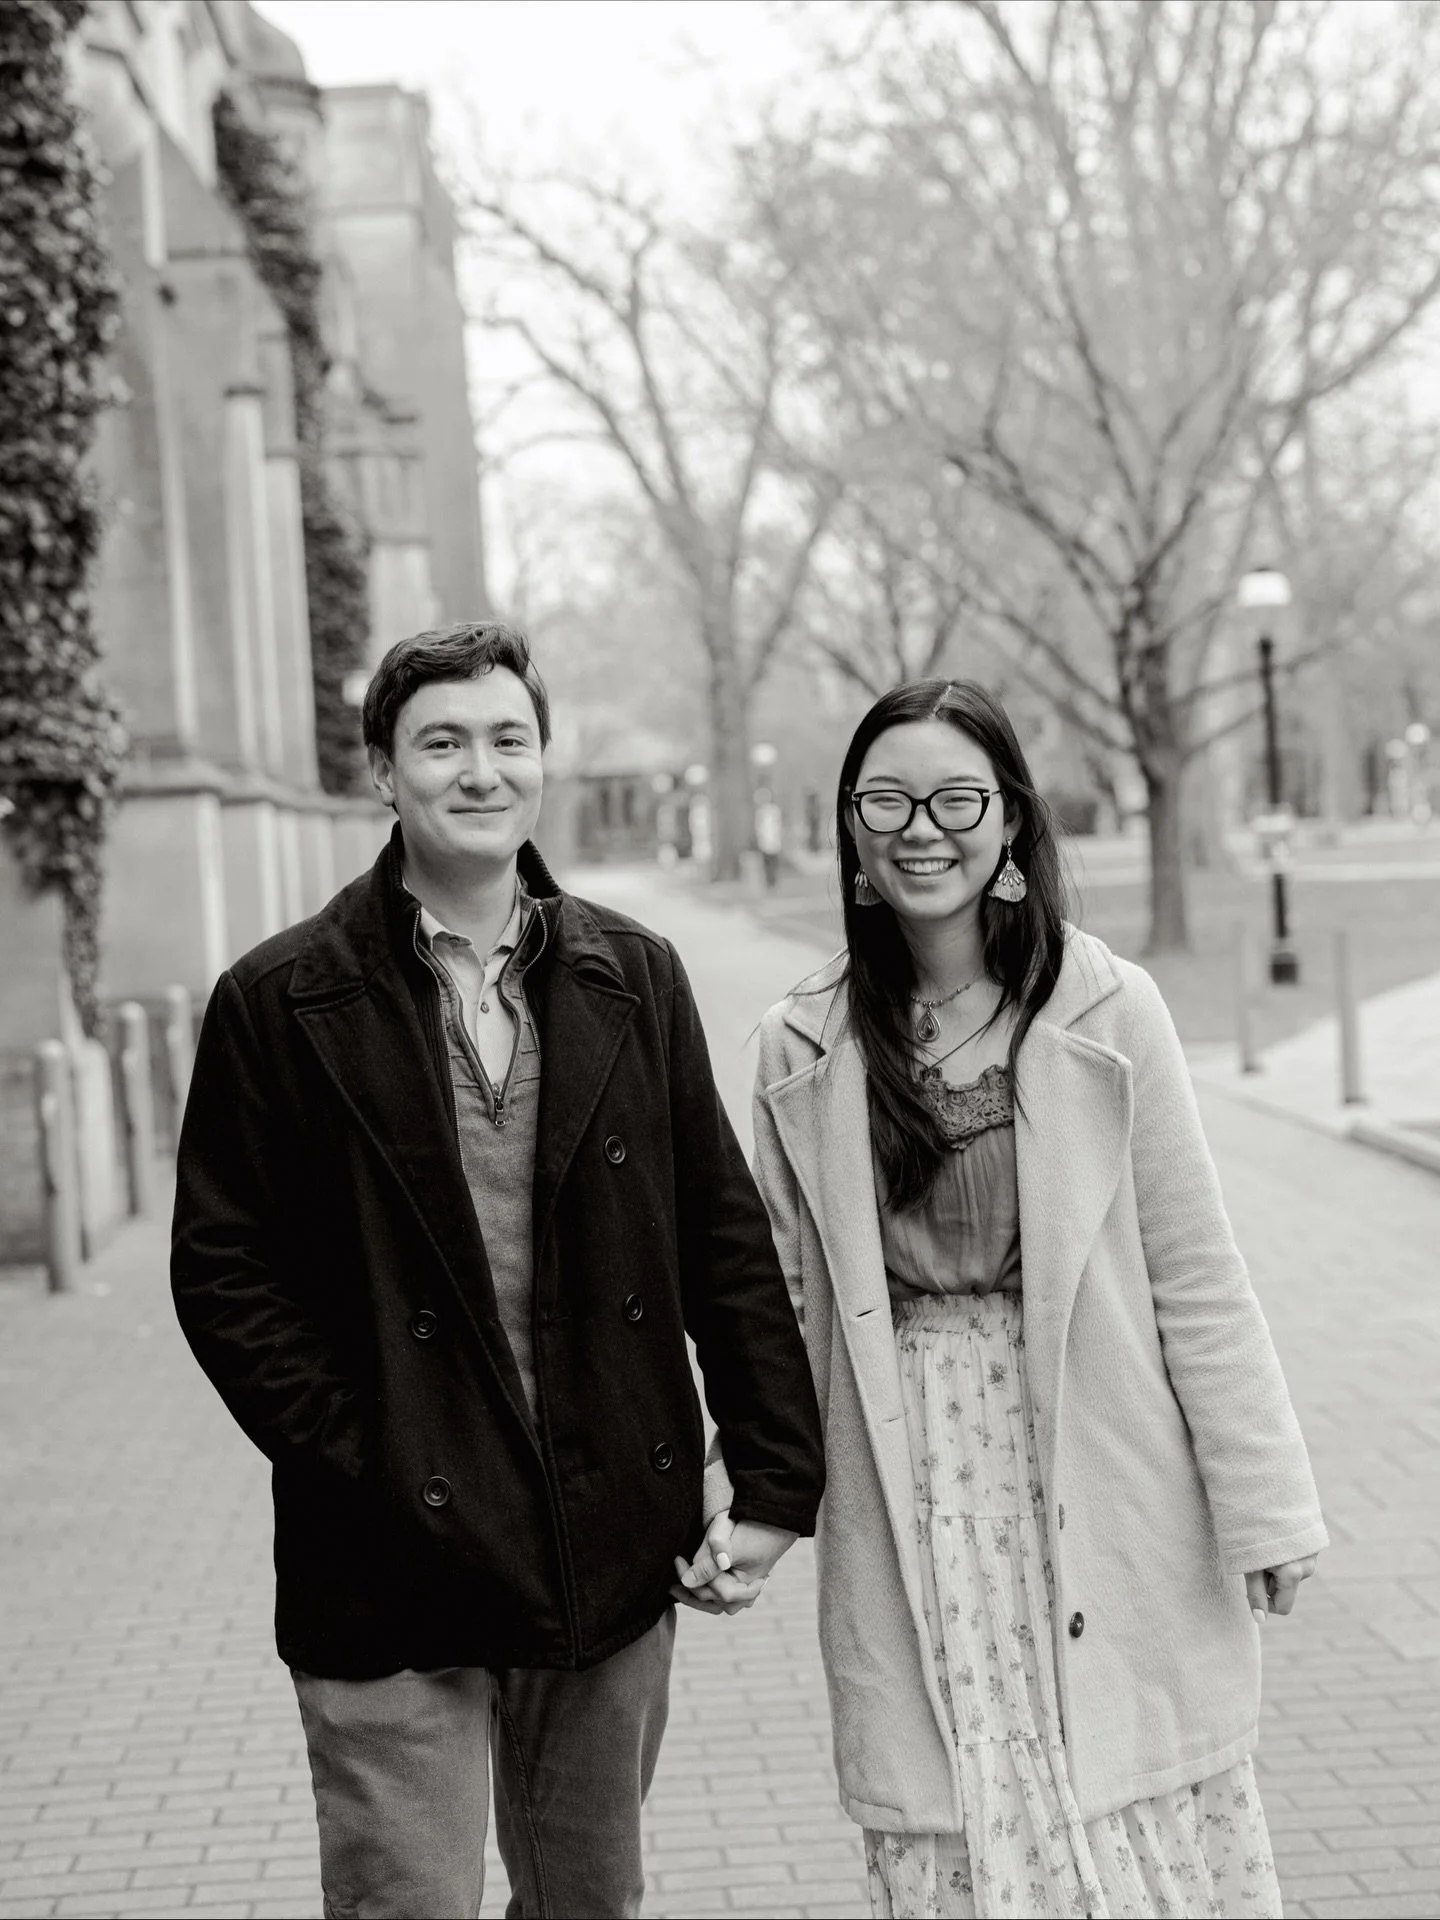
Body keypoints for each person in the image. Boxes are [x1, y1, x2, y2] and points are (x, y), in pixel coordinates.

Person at [171, 621, 824, 1920]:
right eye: (443, 743)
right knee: (404, 1904)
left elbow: (722, 1238)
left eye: (508, 740)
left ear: (542, 763)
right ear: (383, 772)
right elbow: (224, 1276)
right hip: (387, 1559)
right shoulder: (278, 1001)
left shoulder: (632, 976)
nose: (481, 770)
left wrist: (774, 1478)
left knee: (587, 1901)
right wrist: (361, 1452)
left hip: (608, 1543)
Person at [683, 679, 1327, 1919]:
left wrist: (1267, 1502)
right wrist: (750, 1496)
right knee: (962, 1801)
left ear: (1012, 825)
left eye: (957, 797)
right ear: (853, 835)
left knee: (1127, 1795)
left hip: (1098, 1450)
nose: (923, 827)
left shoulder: (1105, 1006)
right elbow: (786, 1308)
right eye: (887, 800)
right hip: (909, 1471)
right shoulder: (800, 1042)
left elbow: (1194, 1271)